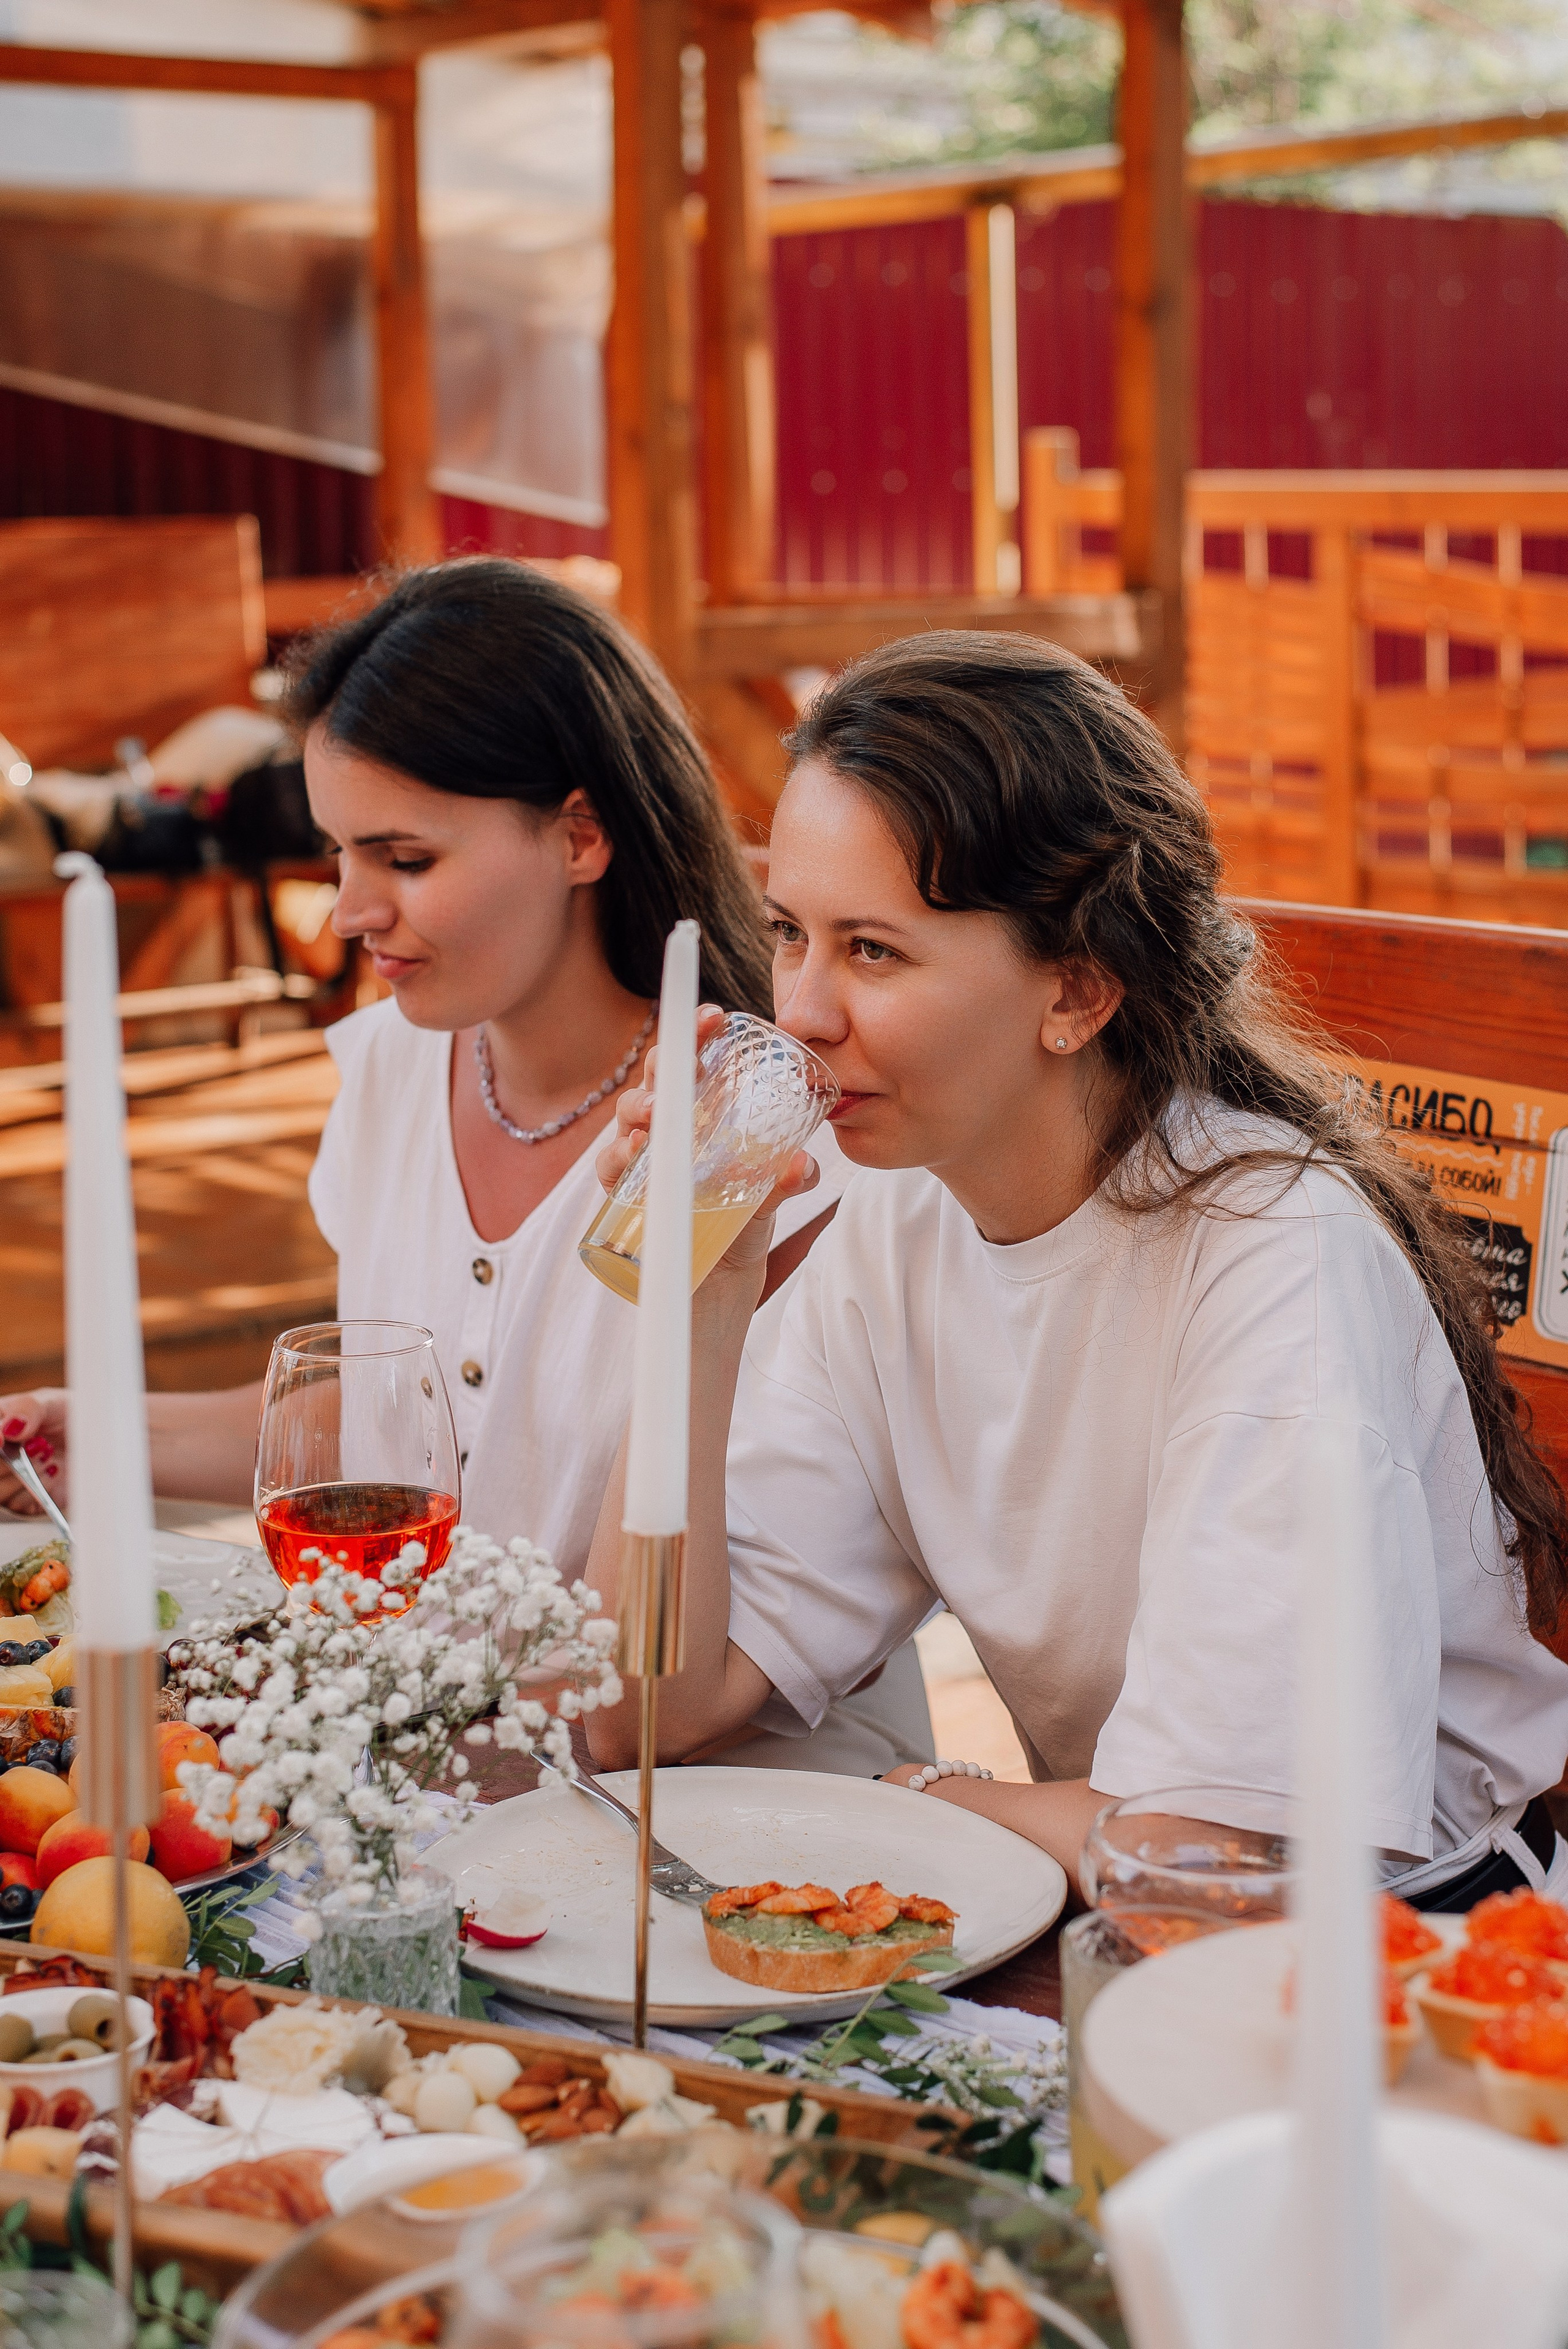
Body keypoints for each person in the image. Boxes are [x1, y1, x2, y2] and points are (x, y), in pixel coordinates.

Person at [586, 629, 1568, 1909]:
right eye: (788, 934)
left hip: (1404, 1954)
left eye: (872, 951)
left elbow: (1217, 1857)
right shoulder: (896, 1219)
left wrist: (943, 1800)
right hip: (1114, 1901)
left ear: (1076, 992)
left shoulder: (1272, 1262)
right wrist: (695, 1321)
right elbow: (641, 1713)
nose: (804, 1013)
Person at [0, 561, 932, 1777]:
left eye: (404, 858)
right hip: (454, 1783)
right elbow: (386, 1426)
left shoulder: (764, 1140)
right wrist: (77, 1440)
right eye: (338, 854)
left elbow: (660, 1686)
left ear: (581, 834)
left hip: (721, 1826)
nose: (346, 911)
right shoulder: (391, 1068)